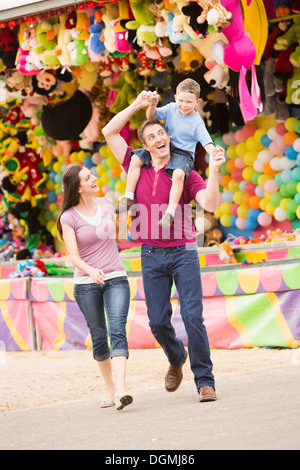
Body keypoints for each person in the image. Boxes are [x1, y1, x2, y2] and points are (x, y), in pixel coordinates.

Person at [102, 91, 226, 403]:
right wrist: (138, 106)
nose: (159, 137)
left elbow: (211, 203)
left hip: (183, 252)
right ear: (144, 146)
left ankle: (205, 381)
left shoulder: (186, 172)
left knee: (193, 317)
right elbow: (109, 132)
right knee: (157, 321)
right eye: (152, 135)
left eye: (162, 133)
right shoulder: (136, 164)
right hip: (150, 254)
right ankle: (175, 357)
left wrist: (215, 169)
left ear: (167, 138)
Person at [56, 163, 132, 411]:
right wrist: (91, 271)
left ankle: (121, 388)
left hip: (116, 276)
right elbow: (73, 257)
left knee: (118, 330)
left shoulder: (106, 203)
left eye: (92, 175)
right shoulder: (68, 217)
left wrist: (121, 215)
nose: (95, 178)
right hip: (87, 283)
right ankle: (109, 386)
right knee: (99, 336)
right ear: (78, 188)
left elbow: (118, 237)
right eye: (89, 177)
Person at [116, 79, 223, 231]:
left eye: (189, 102)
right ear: (175, 98)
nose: (184, 105)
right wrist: (152, 105)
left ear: (197, 101)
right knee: (135, 158)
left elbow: (207, 143)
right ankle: (128, 196)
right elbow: (151, 118)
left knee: (178, 175)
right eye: (181, 100)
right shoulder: (172, 108)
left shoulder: (197, 123)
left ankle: (170, 212)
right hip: (166, 147)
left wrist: (214, 152)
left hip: (183, 154)